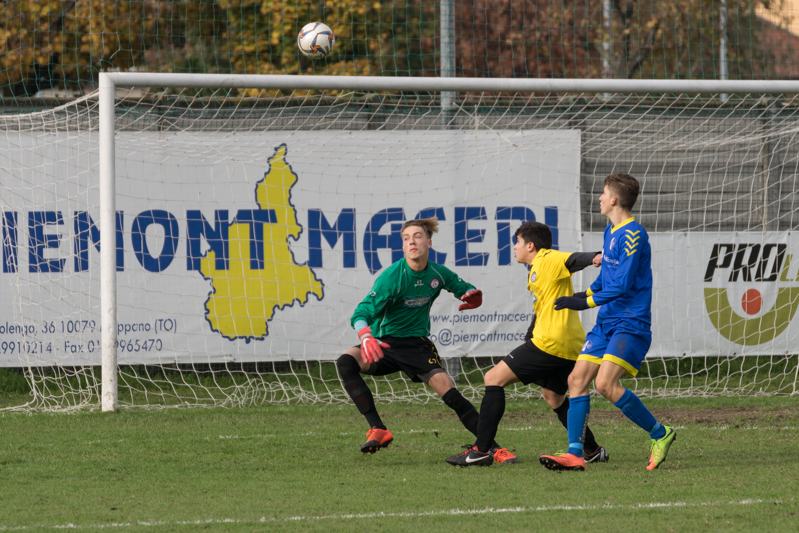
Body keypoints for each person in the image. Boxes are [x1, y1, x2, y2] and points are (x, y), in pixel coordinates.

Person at [337, 217, 517, 463]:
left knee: (452, 396)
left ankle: (494, 449)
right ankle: (378, 429)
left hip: (417, 346)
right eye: (406, 238)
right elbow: (361, 313)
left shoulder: (437, 273)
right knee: (346, 362)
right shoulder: (391, 277)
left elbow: (462, 288)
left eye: (417, 237)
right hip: (384, 345)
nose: (412, 242)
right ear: (403, 246)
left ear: (429, 243)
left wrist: (472, 296)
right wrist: (366, 335)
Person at [540, 173, 676, 472]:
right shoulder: (610, 230)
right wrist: (584, 293)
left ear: (614, 199)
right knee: (576, 380)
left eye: (603, 193)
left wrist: (584, 303)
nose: (599, 198)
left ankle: (660, 433)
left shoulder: (634, 235)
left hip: (630, 321)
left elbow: (623, 285)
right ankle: (575, 453)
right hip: (606, 321)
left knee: (604, 384)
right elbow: (606, 277)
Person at [445, 221, 608, 466]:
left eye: (518, 242)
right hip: (567, 344)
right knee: (553, 396)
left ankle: (480, 451)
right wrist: (531, 332)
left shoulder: (546, 258)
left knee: (493, 378)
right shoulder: (536, 268)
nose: (514, 247)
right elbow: (543, 305)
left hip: (550, 342)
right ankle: (592, 450)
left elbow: (571, 259)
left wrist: (594, 257)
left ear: (530, 245)